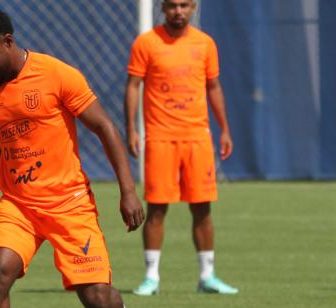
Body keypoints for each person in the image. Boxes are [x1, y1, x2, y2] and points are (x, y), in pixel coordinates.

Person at [0, 8, 144, 308]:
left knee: (96, 296)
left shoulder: (56, 74)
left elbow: (104, 127)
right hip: (18, 204)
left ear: (8, 41)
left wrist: (128, 192)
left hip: (69, 203)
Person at [125, 0, 238, 295]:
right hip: (161, 137)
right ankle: (151, 277)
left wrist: (224, 128)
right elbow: (133, 85)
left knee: (202, 207)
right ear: (163, 7)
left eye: (185, 5)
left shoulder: (205, 44)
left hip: (197, 138)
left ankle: (207, 276)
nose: (178, 11)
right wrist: (132, 130)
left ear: (193, 7)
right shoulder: (147, 43)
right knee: (157, 207)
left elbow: (213, 87)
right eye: (173, 5)